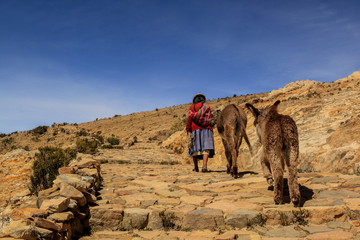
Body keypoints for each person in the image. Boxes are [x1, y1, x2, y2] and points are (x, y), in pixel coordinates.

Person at [186, 93, 215, 172]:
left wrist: (188, 129)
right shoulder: (207, 106)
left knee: (194, 149)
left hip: (195, 130)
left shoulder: (192, 107)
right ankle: (204, 166)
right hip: (207, 129)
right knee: (206, 148)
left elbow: (190, 119)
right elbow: (210, 117)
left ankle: (196, 167)